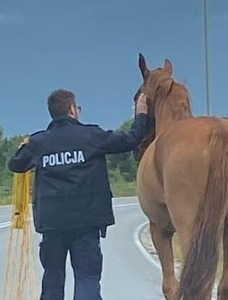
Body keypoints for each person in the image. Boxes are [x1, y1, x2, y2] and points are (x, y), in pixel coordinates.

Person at [8, 88, 149, 300]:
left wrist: (28, 146)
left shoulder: (38, 143)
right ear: (72, 110)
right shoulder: (92, 136)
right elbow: (130, 139)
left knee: (53, 281)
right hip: (86, 225)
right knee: (87, 280)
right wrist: (142, 114)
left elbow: (16, 164)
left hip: (52, 227)